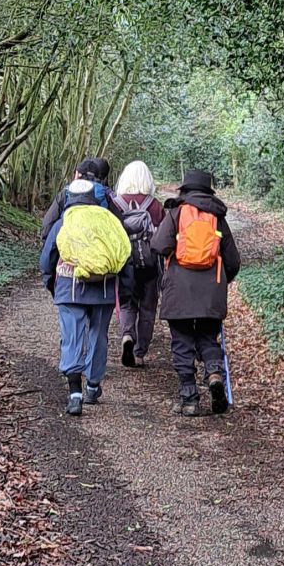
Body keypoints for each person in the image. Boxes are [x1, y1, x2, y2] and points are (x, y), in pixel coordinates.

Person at [39, 156, 131, 414]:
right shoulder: (109, 221)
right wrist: (125, 289)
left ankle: (74, 394)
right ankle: (92, 386)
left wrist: (51, 284)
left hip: (69, 286)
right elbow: (124, 253)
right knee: (98, 335)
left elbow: (47, 257)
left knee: (72, 338)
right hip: (103, 287)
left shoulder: (65, 220)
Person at [153, 166, 241, 415]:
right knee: (207, 337)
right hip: (210, 292)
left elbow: (159, 245)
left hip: (178, 292)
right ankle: (214, 375)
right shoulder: (217, 218)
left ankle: (189, 399)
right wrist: (223, 281)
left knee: (182, 343)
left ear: (185, 189)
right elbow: (233, 260)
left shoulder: (176, 214)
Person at [113, 160, 165, 368]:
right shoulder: (154, 205)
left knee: (126, 302)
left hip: (125, 261)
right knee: (148, 307)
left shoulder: (116, 204)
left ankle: (127, 335)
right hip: (150, 263)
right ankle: (140, 351)